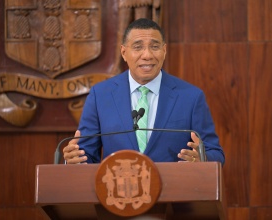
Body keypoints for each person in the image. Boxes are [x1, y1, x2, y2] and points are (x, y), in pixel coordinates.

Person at [63, 18, 225, 165]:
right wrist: (75, 159)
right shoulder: (101, 95)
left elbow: (215, 153)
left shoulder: (190, 97)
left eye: (154, 47)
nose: (147, 55)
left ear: (164, 51)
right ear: (124, 53)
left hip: (173, 194)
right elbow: (86, 155)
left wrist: (202, 159)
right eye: (138, 47)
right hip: (116, 194)